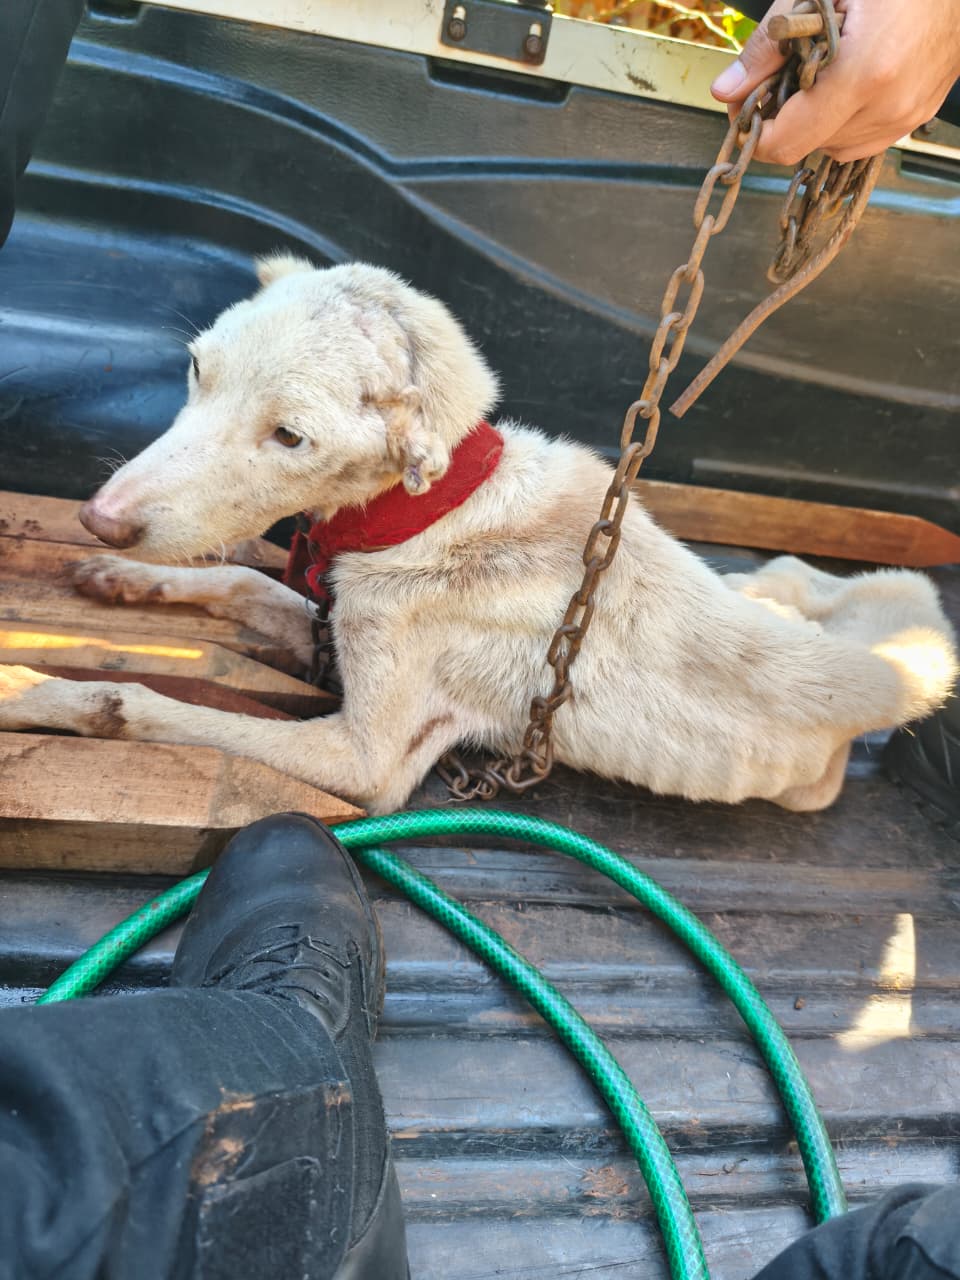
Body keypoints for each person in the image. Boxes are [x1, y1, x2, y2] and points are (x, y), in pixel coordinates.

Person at [0, 4, 958, 1279]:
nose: (127, 489)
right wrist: (206, 589)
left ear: (408, 446)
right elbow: (334, 613)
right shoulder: (453, 498)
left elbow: (369, 764)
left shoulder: (431, 567)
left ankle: (280, 1048)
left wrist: (118, 708)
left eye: (285, 438)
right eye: (201, 374)